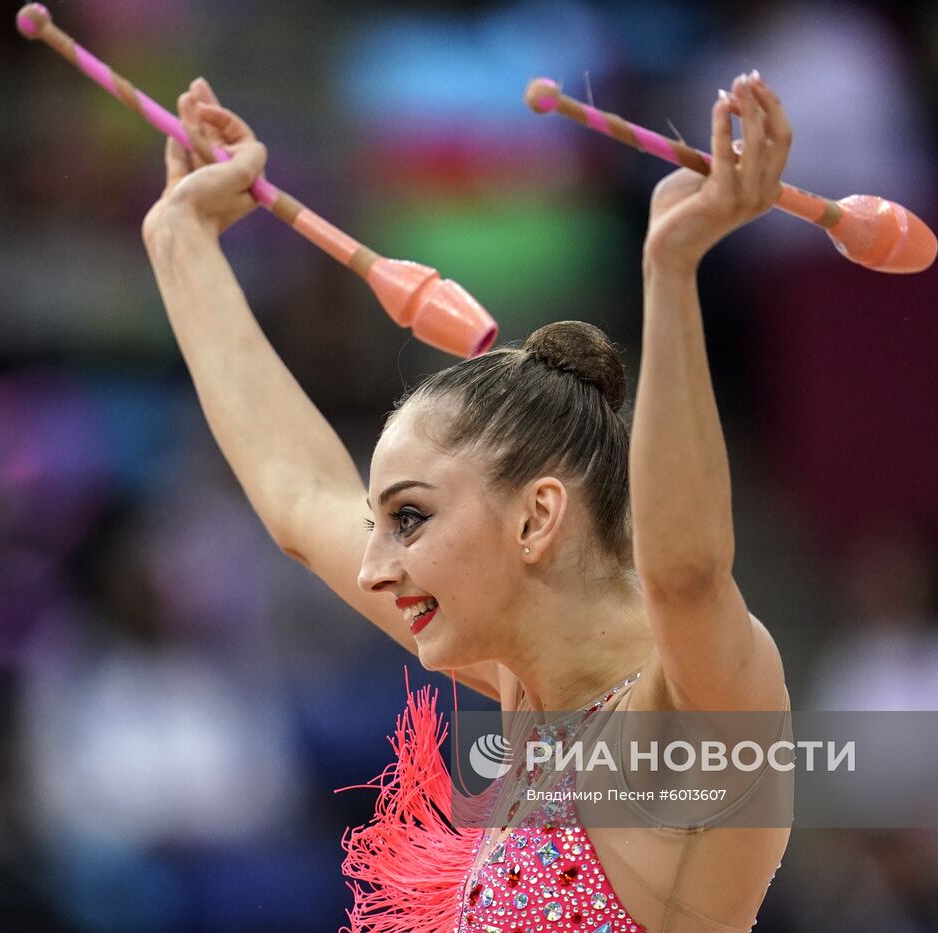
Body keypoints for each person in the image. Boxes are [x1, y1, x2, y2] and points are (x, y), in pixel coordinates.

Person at [140, 69, 792, 932]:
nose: (374, 568)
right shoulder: (531, 703)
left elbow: (689, 575)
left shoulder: (683, 722)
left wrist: (670, 271)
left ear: (537, 516)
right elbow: (300, 499)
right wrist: (180, 238)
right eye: (380, 524)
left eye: (408, 518)